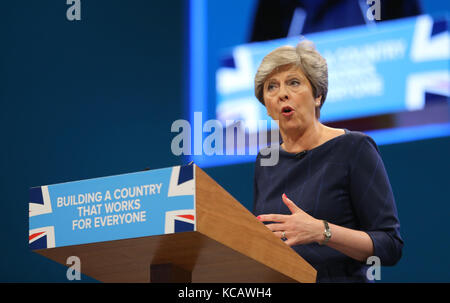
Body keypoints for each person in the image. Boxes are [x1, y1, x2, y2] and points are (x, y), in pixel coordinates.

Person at [252, 40, 403, 282]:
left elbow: (390, 245)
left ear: (318, 96)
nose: (282, 94)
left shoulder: (354, 148)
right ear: (267, 107)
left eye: (293, 82)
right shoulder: (266, 160)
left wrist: (322, 231)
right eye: (272, 87)